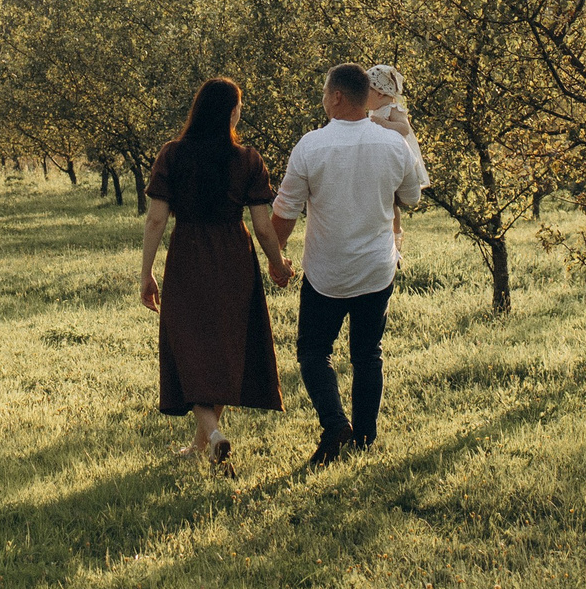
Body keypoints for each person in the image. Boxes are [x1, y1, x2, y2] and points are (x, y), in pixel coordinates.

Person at [271, 62, 425, 468]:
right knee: (367, 353)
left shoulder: (310, 146)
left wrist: (275, 257)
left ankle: (335, 424)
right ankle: (365, 438)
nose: (323, 99)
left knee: (312, 351)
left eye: (324, 92)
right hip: (376, 268)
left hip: (327, 269)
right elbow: (411, 198)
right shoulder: (395, 145)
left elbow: (286, 209)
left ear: (337, 96)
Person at [140, 77, 296, 472]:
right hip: (233, 259)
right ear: (230, 112)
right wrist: (278, 266)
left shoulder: (171, 155)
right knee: (225, 349)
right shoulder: (248, 159)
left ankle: (209, 437)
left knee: (187, 348)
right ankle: (207, 440)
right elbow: (263, 227)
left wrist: (147, 273)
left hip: (188, 257)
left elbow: (157, 219)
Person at [363, 63, 427, 261]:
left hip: (398, 156)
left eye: (368, 92)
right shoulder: (375, 110)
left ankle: (396, 231)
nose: (364, 97)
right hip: (382, 155)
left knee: (392, 199)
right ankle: (388, 232)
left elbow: (404, 129)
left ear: (380, 93)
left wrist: (385, 124)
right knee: (387, 198)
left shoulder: (392, 107)